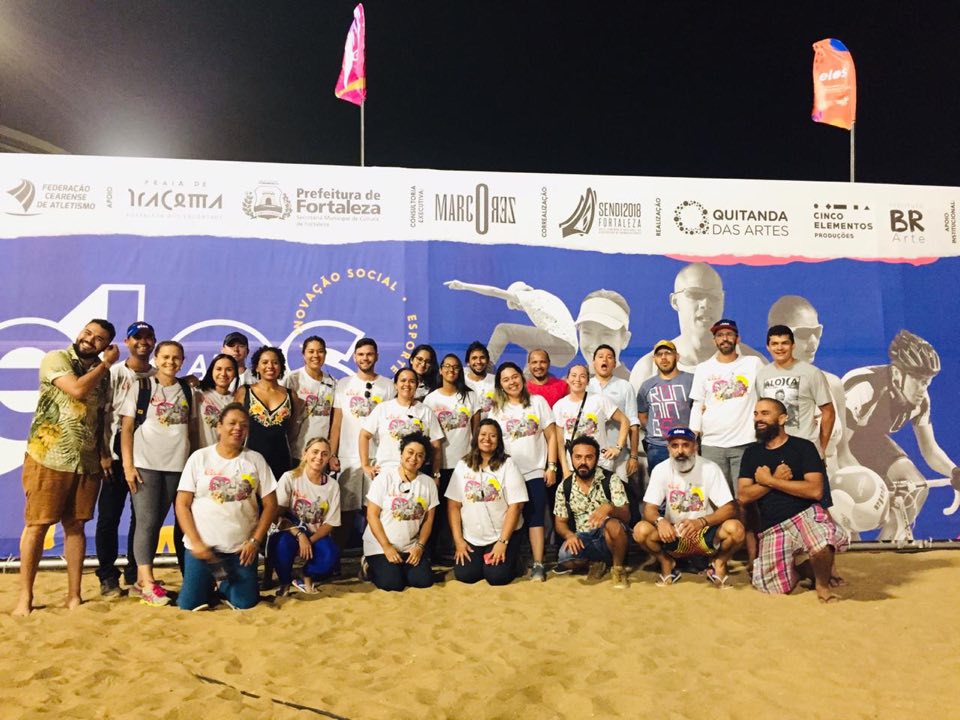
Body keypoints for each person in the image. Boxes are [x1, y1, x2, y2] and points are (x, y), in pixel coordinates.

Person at [15, 319, 119, 616]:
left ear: (106, 344)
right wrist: (106, 364)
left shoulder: (103, 374)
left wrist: (102, 453)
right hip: (48, 456)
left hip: (86, 462)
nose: (90, 340)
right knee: (37, 525)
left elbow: (100, 417)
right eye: (88, 333)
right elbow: (77, 390)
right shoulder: (56, 358)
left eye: (99, 339)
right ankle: (25, 597)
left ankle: (74, 595)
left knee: (76, 526)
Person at [840, 330, 960, 541]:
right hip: (835, 444)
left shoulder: (922, 400)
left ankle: (884, 550)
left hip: (871, 441)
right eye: (918, 379)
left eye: (927, 381)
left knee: (917, 487)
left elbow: (930, 450)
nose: (923, 388)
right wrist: (872, 483)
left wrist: (954, 471)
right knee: (853, 506)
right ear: (896, 374)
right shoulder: (865, 387)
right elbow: (838, 449)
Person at [738, 398, 848, 603]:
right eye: (756, 414)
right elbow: (744, 495)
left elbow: (815, 490)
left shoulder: (803, 447)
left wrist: (770, 480)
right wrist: (772, 480)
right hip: (772, 526)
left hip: (804, 515)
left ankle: (822, 586)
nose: (758, 419)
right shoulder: (751, 453)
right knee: (770, 587)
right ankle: (804, 569)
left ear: (782, 419)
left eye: (765, 413)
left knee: (822, 541)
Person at [176, 403, 278, 611]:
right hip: (203, 551)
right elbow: (182, 504)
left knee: (245, 603)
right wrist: (197, 543)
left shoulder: (255, 460)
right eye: (232, 423)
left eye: (244, 425)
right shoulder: (199, 458)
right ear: (219, 427)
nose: (238, 428)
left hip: (240, 551)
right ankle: (208, 582)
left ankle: (223, 585)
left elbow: (271, 504)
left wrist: (255, 541)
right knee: (189, 604)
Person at [119, 340, 193, 606]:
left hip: (176, 465)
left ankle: (142, 581)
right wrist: (128, 466)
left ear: (182, 361)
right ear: (156, 358)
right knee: (147, 521)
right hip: (145, 464)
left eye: (176, 358)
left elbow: (193, 428)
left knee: (157, 521)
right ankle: (147, 582)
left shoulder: (187, 389)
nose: (170, 362)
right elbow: (127, 429)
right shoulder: (141, 386)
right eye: (165, 357)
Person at [633, 427, 744, 587]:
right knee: (640, 530)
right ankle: (666, 563)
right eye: (675, 445)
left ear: (695, 447)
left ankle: (719, 563)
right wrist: (660, 521)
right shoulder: (661, 469)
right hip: (674, 534)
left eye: (685, 445)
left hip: (705, 533)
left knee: (736, 529)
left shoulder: (710, 468)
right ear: (668, 448)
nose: (680, 451)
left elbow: (730, 508)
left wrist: (701, 522)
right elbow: (649, 508)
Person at [629, 262, 763, 389]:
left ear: (722, 301)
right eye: (695, 294)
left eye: (714, 296)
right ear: (675, 301)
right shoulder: (647, 369)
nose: (705, 304)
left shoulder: (753, 364)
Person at [95, 321, 156, 597]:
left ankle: (135, 574)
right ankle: (107, 575)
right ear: (127, 342)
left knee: (141, 519)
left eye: (148, 337)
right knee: (109, 516)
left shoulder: (158, 376)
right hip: (115, 455)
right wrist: (103, 453)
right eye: (137, 337)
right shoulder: (113, 373)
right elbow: (100, 414)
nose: (143, 342)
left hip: (146, 457)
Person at [488, 361, 559, 582]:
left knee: (536, 518)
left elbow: (552, 436)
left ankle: (538, 563)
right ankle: (514, 558)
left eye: (514, 377)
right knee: (511, 517)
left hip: (535, 471)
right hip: (508, 474)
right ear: (500, 385)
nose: (512, 382)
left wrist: (551, 466)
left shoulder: (538, 402)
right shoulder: (496, 411)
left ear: (522, 377)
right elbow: (491, 444)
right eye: (506, 380)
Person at [328, 338, 396, 548]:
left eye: (369, 354)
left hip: (378, 458)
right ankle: (336, 556)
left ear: (377, 356)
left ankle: (371, 555)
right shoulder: (343, 384)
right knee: (345, 511)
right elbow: (336, 423)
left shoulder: (388, 386)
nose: (365, 358)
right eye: (361, 354)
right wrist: (332, 454)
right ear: (354, 357)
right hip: (348, 456)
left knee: (373, 509)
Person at [767, 295, 846, 476]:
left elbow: (844, 457)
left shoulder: (832, 384)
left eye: (817, 332)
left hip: (833, 488)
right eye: (803, 334)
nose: (813, 341)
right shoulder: (766, 388)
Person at [446, 419, 528, 585]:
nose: (487, 439)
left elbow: (516, 506)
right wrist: (459, 541)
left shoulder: (508, 464)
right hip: (473, 537)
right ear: (476, 437)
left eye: (493, 436)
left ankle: (516, 560)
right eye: (483, 434)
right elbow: (453, 505)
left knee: (496, 577)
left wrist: (502, 542)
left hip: (502, 535)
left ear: (499, 440)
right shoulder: (463, 465)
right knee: (466, 575)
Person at [688, 319, 763, 496]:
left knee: (745, 498)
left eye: (729, 334)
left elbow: (766, 398)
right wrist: (692, 437)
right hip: (712, 444)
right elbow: (697, 404)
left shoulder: (753, 363)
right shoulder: (703, 368)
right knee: (717, 497)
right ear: (714, 340)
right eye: (720, 335)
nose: (725, 338)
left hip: (746, 442)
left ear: (738, 338)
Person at [362, 432, 439, 591]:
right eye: (410, 452)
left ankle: (399, 568)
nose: (414, 458)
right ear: (401, 453)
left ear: (424, 460)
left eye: (420, 455)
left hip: (410, 545)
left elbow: (429, 520)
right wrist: (387, 547)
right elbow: (372, 515)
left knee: (422, 581)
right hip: (380, 545)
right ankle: (368, 565)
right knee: (392, 584)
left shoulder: (428, 483)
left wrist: (420, 546)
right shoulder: (384, 478)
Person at [553, 436, 630, 589]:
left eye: (589, 457)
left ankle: (618, 568)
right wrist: (569, 535)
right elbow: (560, 523)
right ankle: (596, 563)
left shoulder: (611, 479)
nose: (583, 462)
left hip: (609, 536)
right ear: (571, 458)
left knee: (613, 525)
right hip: (584, 537)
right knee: (564, 557)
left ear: (596, 458)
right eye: (578, 457)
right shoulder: (565, 487)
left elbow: (626, 516)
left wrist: (610, 508)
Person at [443, 279, 578, 366]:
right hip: (567, 354)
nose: (518, 308)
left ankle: (488, 366)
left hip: (558, 341)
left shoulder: (529, 296)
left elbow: (493, 291)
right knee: (533, 356)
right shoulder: (547, 299)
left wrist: (464, 286)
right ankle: (526, 387)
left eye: (515, 304)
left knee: (503, 329)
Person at [423, 354, 481, 558]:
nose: (451, 370)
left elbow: (476, 431)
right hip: (439, 464)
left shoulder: (470, 396)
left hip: (464, 463)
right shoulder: (431, 399)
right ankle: (435, 552)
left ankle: (461, 548)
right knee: (438, 510)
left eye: (455, 367)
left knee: (463, 507)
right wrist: (434, 469)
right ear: (440, 370)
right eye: (447, 366)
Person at [268, 437, 341, 595]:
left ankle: (305, 574)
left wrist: (309, 541)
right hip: (290, 531)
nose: (319, 457)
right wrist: (300, 536)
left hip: (315, 534)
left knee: (330, 555)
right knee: (281, 545)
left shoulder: (332, 486)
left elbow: (331, 523)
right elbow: (277, 515)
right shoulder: (290, 478)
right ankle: (285, 582)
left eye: (324, 454)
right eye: (315, 452)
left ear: (329, 458)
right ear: (305, 454)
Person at [757, 326, 835, 457]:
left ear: (793, 345)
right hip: (772, 450)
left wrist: (821, 449)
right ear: (768, 347)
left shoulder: (812, 373)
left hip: (805, 450)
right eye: (775, 344)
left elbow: (829, 412)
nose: (779, 348)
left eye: (784, 343)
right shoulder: (762, 375)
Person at [359, 367, 444, 482]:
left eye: (412, 381)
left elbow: (436, 445)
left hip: (416, 473)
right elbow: (364, 435)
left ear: (417, 385)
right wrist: (365, 465)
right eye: (403, 380)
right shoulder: (383, 408)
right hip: (386, 472)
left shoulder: (425, 411)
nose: (407, 384)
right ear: (395, 385)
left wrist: (436, 474)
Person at [553, 364, 629, 479]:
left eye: (582, 376)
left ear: (588, 381)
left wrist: (618, 448)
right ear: (567, 379)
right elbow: (560, 442)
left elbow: (625, 420)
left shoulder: (599, 400)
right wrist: (565, 468)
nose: (577, 379)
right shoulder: (559, 406)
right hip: (574, 466)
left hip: (600, 463)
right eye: (573, 375)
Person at [235, 346, 295, 481]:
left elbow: (292, 431)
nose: (270, 366)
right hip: (249, 460)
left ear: (281, 367)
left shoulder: (291, 395)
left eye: (275, 362)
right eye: (265, 362)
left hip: (281, 461)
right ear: (256, 367)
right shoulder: (244, 392)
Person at [587, 344, 641, 495]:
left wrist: (634, 456)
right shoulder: (586, 386)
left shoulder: (625, 386)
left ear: (615, 363)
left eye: (609, 357)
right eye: (600, 357)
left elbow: (633, 423)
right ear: (593, 362)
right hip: (591, 455)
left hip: (619, 455)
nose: (605, 360)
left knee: (620, 497)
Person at [636, 340, 694, 474]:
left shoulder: (691, 380)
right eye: (659, 354)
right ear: (654, 359)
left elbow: (699, 409)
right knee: (659, 485)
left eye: (668, 353)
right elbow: (642, 415)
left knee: (688, 483)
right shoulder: (646, 386)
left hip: (685, 444)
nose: (663, 357)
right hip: (657, 447)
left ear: (677, 357)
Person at [287, 336, 336, 463]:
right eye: (311, 351)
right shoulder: (292, 379)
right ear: (303, 354)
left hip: (321, 454)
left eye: (320, 351)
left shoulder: (332, 382)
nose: (316, 355)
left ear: (325, 354)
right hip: (296, 451)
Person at [575, 289, 632, 380]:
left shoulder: (635, 386)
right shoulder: (565, 385)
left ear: (625, 339)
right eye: (587, 333)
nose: (595, 344)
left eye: (606, 334)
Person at [193, 353, 239, 449]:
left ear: (235, 373)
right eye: (219, 369)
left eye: (229, 370)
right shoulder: (198, 393)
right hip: (202, 454)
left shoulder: (237, 400)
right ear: (211, 371)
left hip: (229, 454)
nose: (223, 374)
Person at [463, 340, 495, 416]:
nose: (478, 362)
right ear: (468, 362)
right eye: (474, 358)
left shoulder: (496, 381)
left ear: (488, 361)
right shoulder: (461, 382)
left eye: (482, 357)